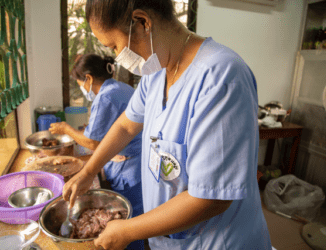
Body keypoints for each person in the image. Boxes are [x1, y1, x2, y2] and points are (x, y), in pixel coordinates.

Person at [62, 1, 273, 249]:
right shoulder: (156, 73)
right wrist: (88, 172)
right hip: (172, 241)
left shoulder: (221, 77)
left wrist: (129, 230)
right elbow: (126, 126)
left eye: (116, 46)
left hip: (216, 242)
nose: (118, 58)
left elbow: (211, 197)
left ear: (142, 23)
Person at [49, 54, 144, 250]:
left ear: (89, 79)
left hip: (130, 167)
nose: (83, 89)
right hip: (138, 162)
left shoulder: (105, 96)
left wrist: (67, 129)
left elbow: (93, 143)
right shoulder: (121, 87)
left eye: (81, 84)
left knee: (129, 226)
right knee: (136, 221)